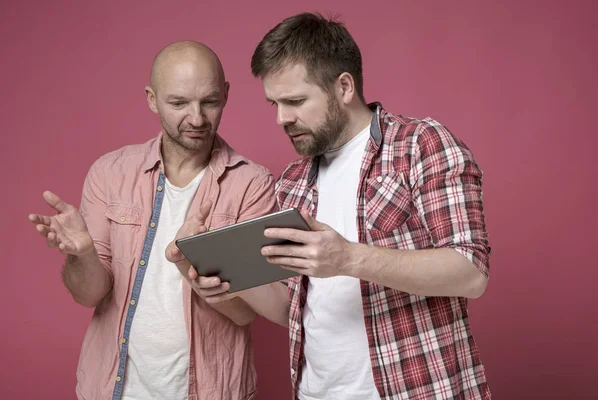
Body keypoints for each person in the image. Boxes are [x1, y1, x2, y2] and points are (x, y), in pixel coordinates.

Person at [228, 12, 492, 400]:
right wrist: (226, 279)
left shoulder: (419, 145)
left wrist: (348, 258)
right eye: (274, 104)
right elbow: (294, 307)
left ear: (344, 87)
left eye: (295, 101)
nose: (282, 118)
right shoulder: (292, 181)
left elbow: (471, 271)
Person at [28, 40, 275, 400]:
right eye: (178, 103)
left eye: (209, 101)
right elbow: (89, 294)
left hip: (211, 391)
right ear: (151, 99)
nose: (196, 118)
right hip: (114, 389)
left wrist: (194, 263)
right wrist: (81, 255)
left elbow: (243, 314)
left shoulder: (251, 184)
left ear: (226, 94)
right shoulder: (110, 173)